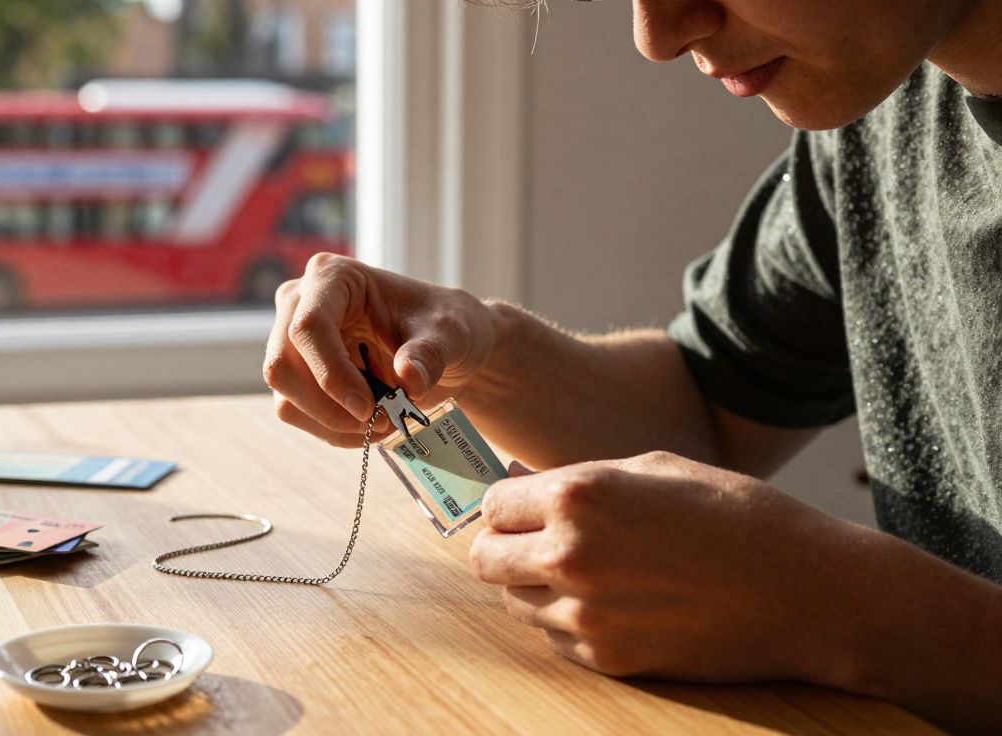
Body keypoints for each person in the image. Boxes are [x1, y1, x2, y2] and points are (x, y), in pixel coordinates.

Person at [261, 0, 1002, 732]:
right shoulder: (885, 107)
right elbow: (710, 408)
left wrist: (843, 610)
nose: (656, 36)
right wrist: (479, 350)